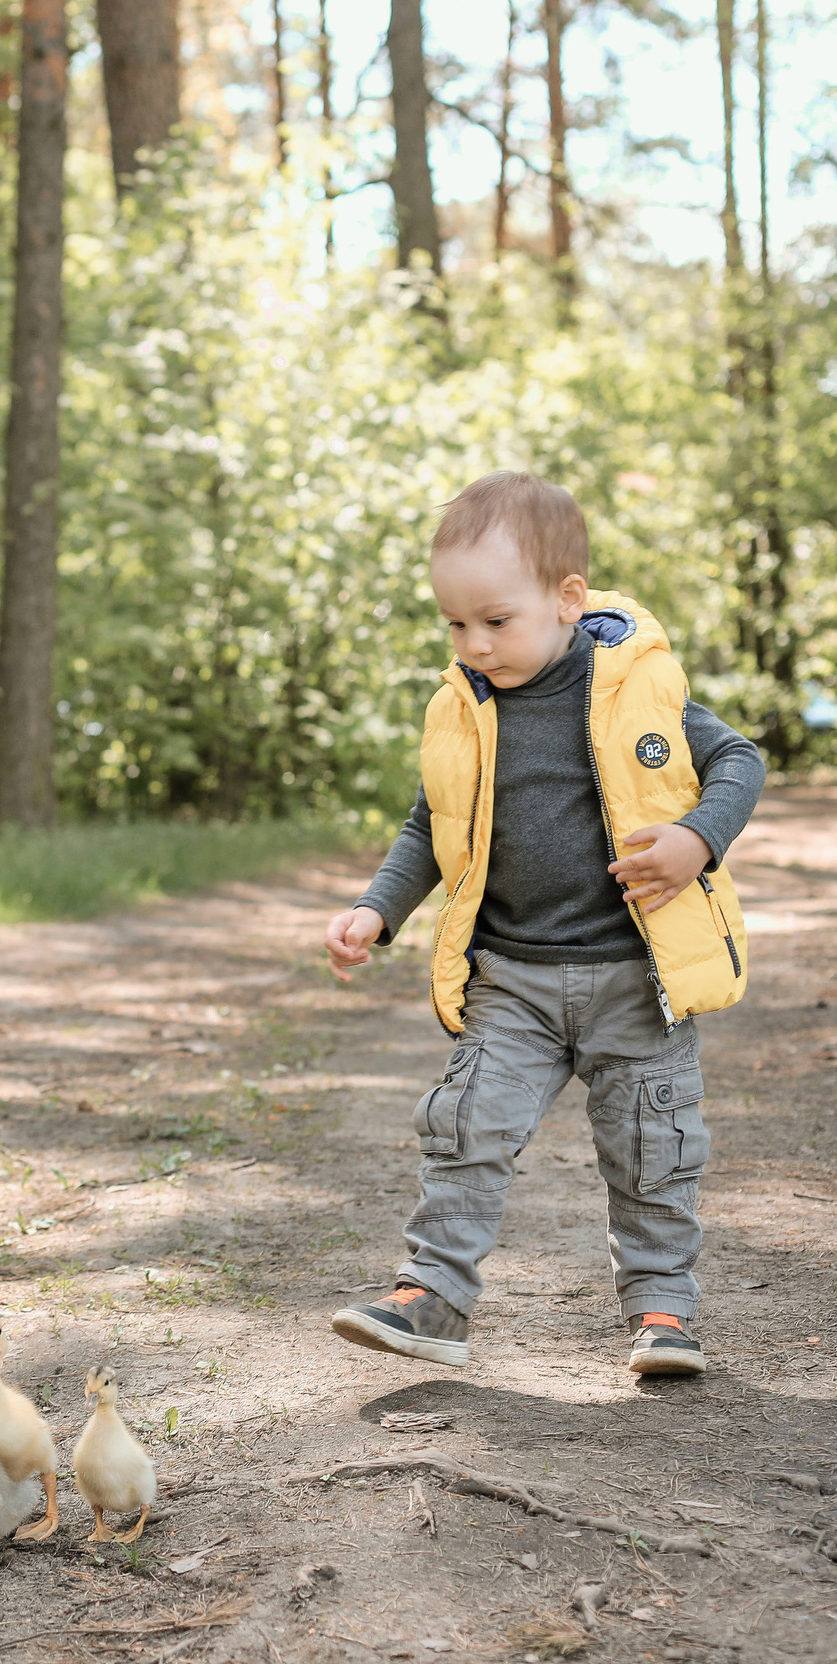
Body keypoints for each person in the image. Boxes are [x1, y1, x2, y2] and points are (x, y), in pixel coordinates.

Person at [323, 472, 765, 1379]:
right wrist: (376, 908)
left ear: (568, 600)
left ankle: (663, 1311)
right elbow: (430, 825)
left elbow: (738, 760)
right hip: (512, 981)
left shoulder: (636, 686)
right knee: (464, 1127)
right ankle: (431, 1295)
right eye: (456, 624)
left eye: (496, 620)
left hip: (636, 978)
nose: (475, 644)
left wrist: (695, 840)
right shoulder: (464, 710)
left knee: (650, 1149)